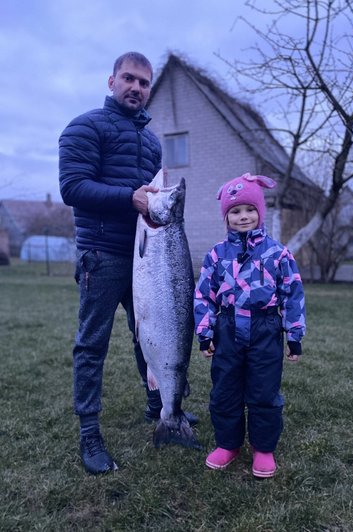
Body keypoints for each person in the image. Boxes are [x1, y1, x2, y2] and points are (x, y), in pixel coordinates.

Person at [59, 51, 197, 475]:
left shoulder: (153, 142)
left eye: (143, 82)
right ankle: (89, 433)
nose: (136, 87)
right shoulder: (85, 127)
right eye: (129, 79)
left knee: (152, 334)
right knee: (92, 345)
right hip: (101, 255)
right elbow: (72, 187)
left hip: (149, 261)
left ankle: (162, 409)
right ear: (111, 81)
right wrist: (129, 198)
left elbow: (151, 200)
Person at [194, 173, 306, 478]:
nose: (243, 217)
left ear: (260, 212)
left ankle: (263, 448)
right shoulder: (216, 255)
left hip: (266, 328)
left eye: (249, 210)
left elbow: (293, 294)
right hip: (228, 328)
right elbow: (203, 294)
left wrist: (294, 335)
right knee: (225, 389)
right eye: (235, 211)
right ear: (226, 216)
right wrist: (205, 333)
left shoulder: (278, 254)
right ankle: (228, 444)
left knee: (264, 391)